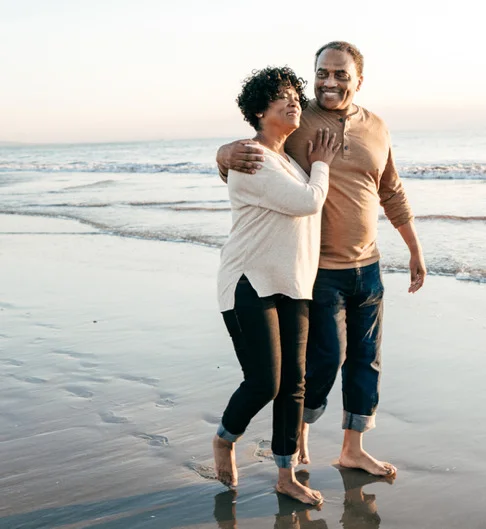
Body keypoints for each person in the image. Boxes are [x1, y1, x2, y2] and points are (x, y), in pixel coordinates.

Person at [216, 41, 427, 477]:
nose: (329, 82)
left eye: (340, 74)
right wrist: (221, 154)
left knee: (366, 360)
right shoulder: (300, 119)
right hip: (319, 271)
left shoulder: (377, 127)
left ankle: (353, 448)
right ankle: (301, 431)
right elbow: (259, 150)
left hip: (367, 265)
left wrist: (414, 249)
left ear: (359, 80)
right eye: (322, 73)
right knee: (324, 360)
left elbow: (391, 190)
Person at [214, 66, 341, 505]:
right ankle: (225, 438)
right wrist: (322, 163)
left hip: (294, 284)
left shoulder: (288, 160)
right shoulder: (251, 157)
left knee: (294, 384)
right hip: (249, 282)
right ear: (258, 110)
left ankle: (286, 475)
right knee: (264, 382)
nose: (292, 102)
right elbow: (307, 202)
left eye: (294, 95)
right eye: (280, 97)